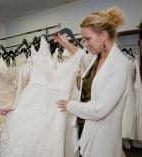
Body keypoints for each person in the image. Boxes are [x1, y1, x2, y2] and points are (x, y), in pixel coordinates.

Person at [54, 6, 134, 157]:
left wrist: (69, 104)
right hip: (89, 127)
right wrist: (65, 43)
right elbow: (83, 57)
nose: (84, 43)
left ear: (103, 35)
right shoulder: (100, 56)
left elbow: (99, 110)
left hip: (104, 136)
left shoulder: (120, 66)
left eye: (87, 38)